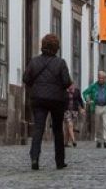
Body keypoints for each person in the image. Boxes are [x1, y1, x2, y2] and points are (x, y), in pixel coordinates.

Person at [23, 33, 71, 171]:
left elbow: (26, 78)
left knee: (38, 128)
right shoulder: (61, 63)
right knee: (57, 130)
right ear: (56, 48)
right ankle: (60, 161)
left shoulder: (34, 61)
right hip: (56, 100)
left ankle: (34, 158)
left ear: (43, 46)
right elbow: (66, 82)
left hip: (38, 98)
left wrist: (36, 86)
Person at [82, 71, 106, 149]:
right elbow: (85, 93)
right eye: (99, 78)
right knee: (98, 125)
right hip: (97, 106)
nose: (100, 79)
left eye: (102, 78)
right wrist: (87, 99)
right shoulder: (94, 86)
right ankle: (98, 140)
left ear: (105, 79)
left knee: (105, 124)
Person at [63, 83, 85, 147]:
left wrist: (82, 108)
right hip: (66, 111)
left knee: (69, 127)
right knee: (70, 125)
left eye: (72, 85)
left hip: (74, 111)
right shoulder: (64, 91)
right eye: (69, 85)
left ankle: (66, 143)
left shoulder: (77, 91)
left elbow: (80, 100)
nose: (71, 87)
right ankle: (73, 140)